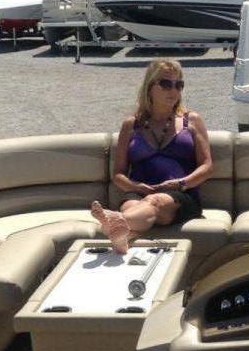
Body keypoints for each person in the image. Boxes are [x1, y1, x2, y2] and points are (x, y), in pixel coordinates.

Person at [91, 58, 213, 254]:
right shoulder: (131, 125)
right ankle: (123, 237)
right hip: (139, 190)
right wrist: (136, 187)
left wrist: (181, 183)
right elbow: (118, 175)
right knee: (133, 205)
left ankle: (110, 224)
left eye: (179, 85)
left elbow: (206, 167)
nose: (174, 90)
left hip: (181, 195)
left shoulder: (192, 121)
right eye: (166, 84)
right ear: (150, 87)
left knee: (153, 202)